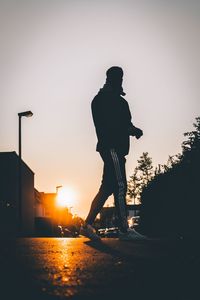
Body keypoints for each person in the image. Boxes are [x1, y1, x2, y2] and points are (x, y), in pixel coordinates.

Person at [81, 66, 146, 241]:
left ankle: (87, 225)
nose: (121, 81)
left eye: (121, 78)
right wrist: (130, 129)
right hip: (112, 148)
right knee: (120, 185)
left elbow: (125, 124)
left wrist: (134, 130)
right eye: (118, 78)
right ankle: (124, 230)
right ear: (112, 79)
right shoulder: (105, 100)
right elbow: (111, 125)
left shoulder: (113, 101)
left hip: (114, 148)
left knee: (107, 187)